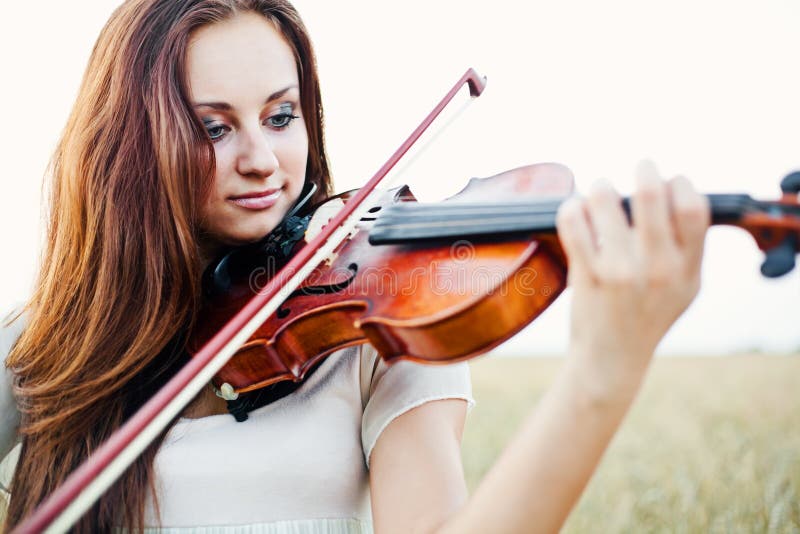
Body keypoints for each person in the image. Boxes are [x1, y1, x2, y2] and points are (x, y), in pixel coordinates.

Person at [0, 0, 710, 532]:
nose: (261, 160)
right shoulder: (47, 342)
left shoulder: (375, 328)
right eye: (213, 128)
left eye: (281, 116)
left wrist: (602, 372)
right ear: (129, 146)